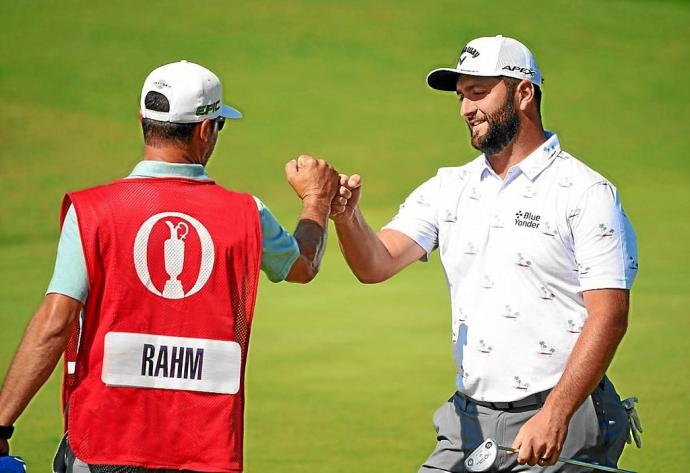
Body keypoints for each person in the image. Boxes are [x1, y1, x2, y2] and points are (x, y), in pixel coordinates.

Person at [0, 60, 340, 472]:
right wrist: (316, 200)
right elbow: (303, 264)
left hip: (103, 444)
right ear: (204, 130)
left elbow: (55, 323)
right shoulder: (247, 214)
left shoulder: (92, 212)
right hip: (204, 452)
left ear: (143, 120)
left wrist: (1, 425)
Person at [331, 35, 639, 472]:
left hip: (561, 418)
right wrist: (347, 217)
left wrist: (555, 413)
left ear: (523, 93)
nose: (465, 110)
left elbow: (610, 314)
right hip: (468, 420)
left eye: (478, 94)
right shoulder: (448, 187)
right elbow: (375, 263)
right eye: (461, 97)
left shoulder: (586, 192)